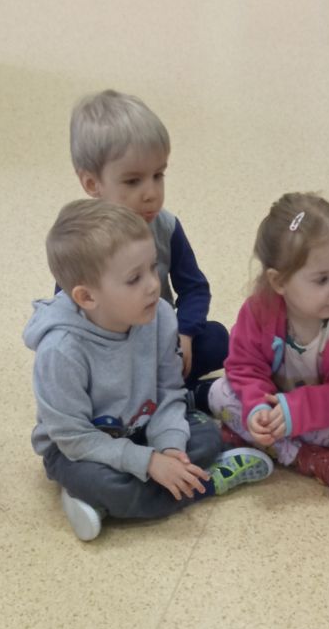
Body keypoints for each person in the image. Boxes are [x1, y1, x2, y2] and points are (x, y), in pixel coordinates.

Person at [27, 199, 272, 542]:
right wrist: (149, 463)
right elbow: (74, 439)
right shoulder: (60, 352)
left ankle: (105, 504)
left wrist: (170, 448)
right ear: (87, 297)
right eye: (134, 278)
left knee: (206, 435)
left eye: (153, 267)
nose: (154, 285)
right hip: (80, 449)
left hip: (141, 426)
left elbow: (169, 391)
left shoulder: (160, 316)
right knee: (103, 482)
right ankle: (206, 483)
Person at [208, 192, 329, 498]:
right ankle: (303, 456)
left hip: (323, 407)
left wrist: (298, 410)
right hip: (275, 404)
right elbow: (244, 366)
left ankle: (266, 443)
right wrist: (257, 408)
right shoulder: (259, 310)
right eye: (322, 279)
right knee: (217, 394)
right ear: (279, 282)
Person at [70, 88, 228, 411]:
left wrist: (185, 333)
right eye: (133, 181)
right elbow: (67, 313)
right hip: (110, 354)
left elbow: (195, 288)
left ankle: (169, 394)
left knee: (217, 339)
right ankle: (181, 396)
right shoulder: (81, 243)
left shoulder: (166, 226)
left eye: (158, 175)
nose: (151, 193)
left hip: (161, 342)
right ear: (92, 184)